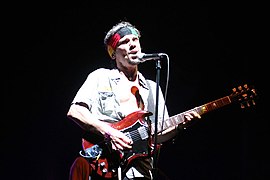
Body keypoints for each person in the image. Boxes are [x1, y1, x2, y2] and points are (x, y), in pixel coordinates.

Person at [67, 21, 201, 180]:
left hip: (141, 173)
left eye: (135, 39)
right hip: (103, 168)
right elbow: (75, 111)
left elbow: (158, 133)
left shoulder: (152, 89)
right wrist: (110, 133)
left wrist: (180, 126)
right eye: (124, 42)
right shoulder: (100, 77)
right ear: (113, 52)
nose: (132, 44)